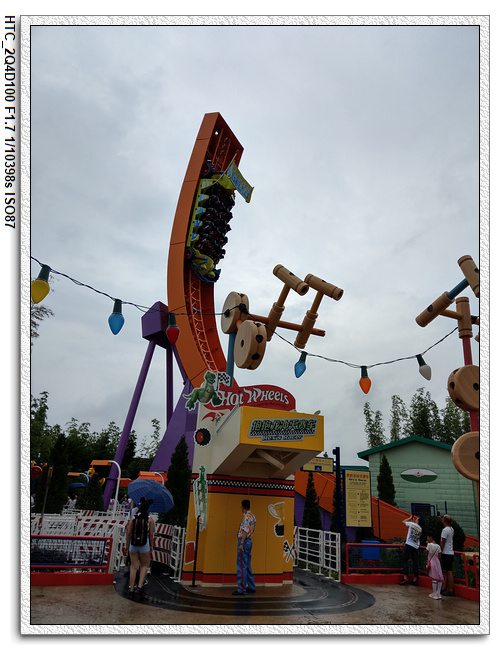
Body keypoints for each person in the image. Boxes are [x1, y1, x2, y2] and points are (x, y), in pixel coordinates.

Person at [125, 497, 154, 599]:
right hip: (144, 544)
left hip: (133, 545)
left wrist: (127, 545)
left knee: (134, 567)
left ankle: (131, 590)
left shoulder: (133, 518)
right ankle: (139, 587)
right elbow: (151, 534)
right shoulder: (150, 519)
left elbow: (128, 533)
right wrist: (151, 545)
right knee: (145, 566)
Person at [233, 499, 256, 596]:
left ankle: (241, 589)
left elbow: (245, 530)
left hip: (244, 541)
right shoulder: (252, 516)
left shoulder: (246, 517)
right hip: (249, 541)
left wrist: (241, 543)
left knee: (241, 565)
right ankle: (251, 586)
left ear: (242, 507)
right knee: (247, 564)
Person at [399, 514, 422, 585]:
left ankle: (405, 577)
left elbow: (403, 522)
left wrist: (409, 518)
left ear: (418, 521)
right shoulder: (420, 529)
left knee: (405, 560)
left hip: (409, 544)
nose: (416, 519)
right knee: (415, 563)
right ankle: (415, 579)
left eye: (417, 519)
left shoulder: (412, 524)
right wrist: (412, 521)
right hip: (415, 546)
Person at [439, 514, 455, 596]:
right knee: (447, 571)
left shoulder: (445, 530)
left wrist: (440, 552)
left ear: (444, 521)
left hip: (446, 552)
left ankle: (451, 590)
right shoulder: (451, 529)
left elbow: (443, 542)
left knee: (448, 571)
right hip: (450, 552)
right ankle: (444, 588)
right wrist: (441, 519)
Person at [426, 532, 444, 599]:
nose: (427, 539)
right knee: (439, 577)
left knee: (434, 577)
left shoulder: (429, 545)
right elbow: (439, 555)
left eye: (428, 537)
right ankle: (438, 593)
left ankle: (434, 593)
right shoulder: (438, 546)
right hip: (437, 562)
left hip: (432, 562)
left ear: (431, 537)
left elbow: (427, 552)